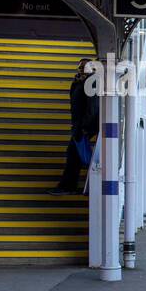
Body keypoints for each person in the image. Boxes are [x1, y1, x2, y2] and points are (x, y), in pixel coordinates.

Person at [49, 60, 99, 195]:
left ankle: (67, 186)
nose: (81, 69)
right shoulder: (80, 82)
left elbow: (93, 107)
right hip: (79, 125)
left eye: (85, 66)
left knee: (74, 154)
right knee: (75, 155)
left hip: (84, 126)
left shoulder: (92, 82)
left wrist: (85, 126)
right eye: (80, 66)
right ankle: (71, 186)